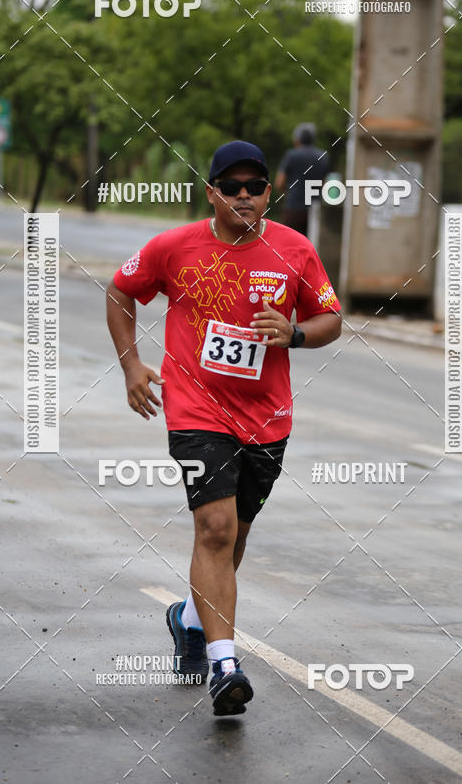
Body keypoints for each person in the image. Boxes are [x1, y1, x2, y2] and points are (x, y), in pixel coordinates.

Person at [106, 140, 341, 716]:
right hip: (196, 412)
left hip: (266, 419)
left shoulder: (295, 249)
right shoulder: (174, 247)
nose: (243, 196)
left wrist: (295, 334)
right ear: (211, 192)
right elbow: (119, 290)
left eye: (254, 187)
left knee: (233, 537)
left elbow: (331, 318)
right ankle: (225, 666)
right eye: (231, 187)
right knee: (214, 528)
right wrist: (132, 365)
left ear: (268, 193)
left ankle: (188, 618)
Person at [274, 123, 330, 235]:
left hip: (293, 208)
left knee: (290, 241)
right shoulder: (323, 156)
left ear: (297, 139)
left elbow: (279, 183)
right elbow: (325, 184)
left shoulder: (291, 155)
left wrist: (288, 193)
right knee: (311, 242)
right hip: (315, 209)